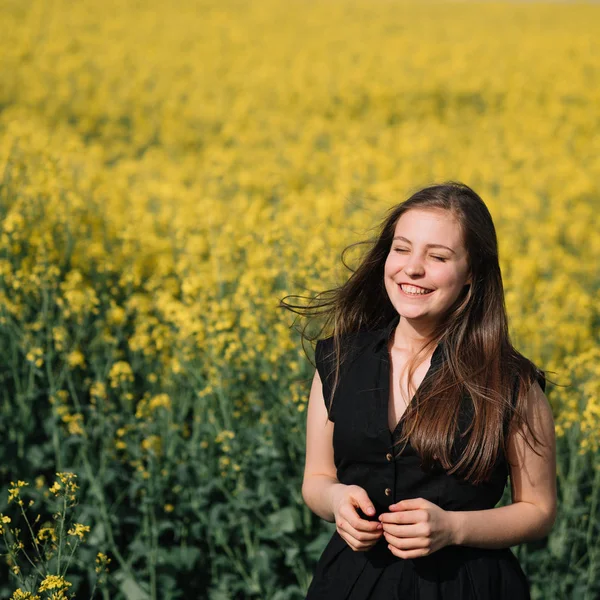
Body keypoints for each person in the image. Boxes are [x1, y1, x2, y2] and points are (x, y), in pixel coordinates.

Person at [300, 182, 557, 599]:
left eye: (437, 257)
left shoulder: (511, 383)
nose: (412, 268)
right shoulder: (339, 359)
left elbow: (539, 510)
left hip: (466, 587)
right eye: (402, 249)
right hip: (351, 584)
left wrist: (454, 528)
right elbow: (316, 477)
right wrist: (336, 499)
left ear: (472, 272)